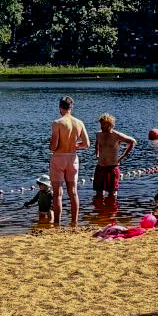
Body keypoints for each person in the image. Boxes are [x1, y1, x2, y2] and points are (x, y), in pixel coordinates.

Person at [49, 96, 90, 225]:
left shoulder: (58, 123)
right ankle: (74, 222)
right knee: (73, 192)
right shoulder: (79, 122)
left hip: (59, 158)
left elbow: (54, 146)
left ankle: (57, 223)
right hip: (73, 158)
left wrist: (50, 145)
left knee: (58, 193)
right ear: (71, 107)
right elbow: (87, 144)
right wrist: (76, 145)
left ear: (60, 107)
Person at [94, 113, 136, 201]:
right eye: (101, 125)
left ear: (110, 125)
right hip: (100, 166)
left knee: (112, 193)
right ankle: (99, 213)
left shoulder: (117, 135)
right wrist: (97, 154)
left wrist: (123, 156)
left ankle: (112, 212)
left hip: (112, 166)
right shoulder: (98, 134)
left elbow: (132, 141)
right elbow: (97, 143)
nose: (102, 127)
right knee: (98, 192)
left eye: (104, 125)